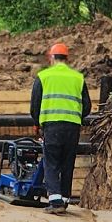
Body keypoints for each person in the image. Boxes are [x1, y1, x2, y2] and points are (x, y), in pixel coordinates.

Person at [29, 41, 90, 212]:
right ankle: (64, 199)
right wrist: (75, 116)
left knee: (51, 161)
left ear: (51, 58)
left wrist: (37, 123)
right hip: (73, 127)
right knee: (67, 162)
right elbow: (86, 107)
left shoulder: (43, 77)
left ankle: (55, 200)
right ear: (67, 58)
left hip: (52, 126)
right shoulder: (78, 78)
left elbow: (35, 105)